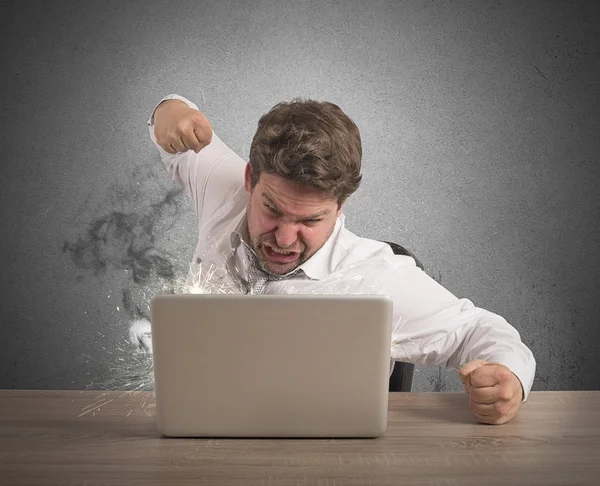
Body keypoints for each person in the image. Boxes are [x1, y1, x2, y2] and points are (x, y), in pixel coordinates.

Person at [147, 93, 536, 425]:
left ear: (340, 205)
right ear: (250, 179)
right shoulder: (224, 189)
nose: (284, 238)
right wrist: (168, 110)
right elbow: (174, 121)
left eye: (310, 220)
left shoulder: (377, 277)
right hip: (197, 441)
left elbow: (478, 331)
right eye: (272, 209)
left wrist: (509, 379)